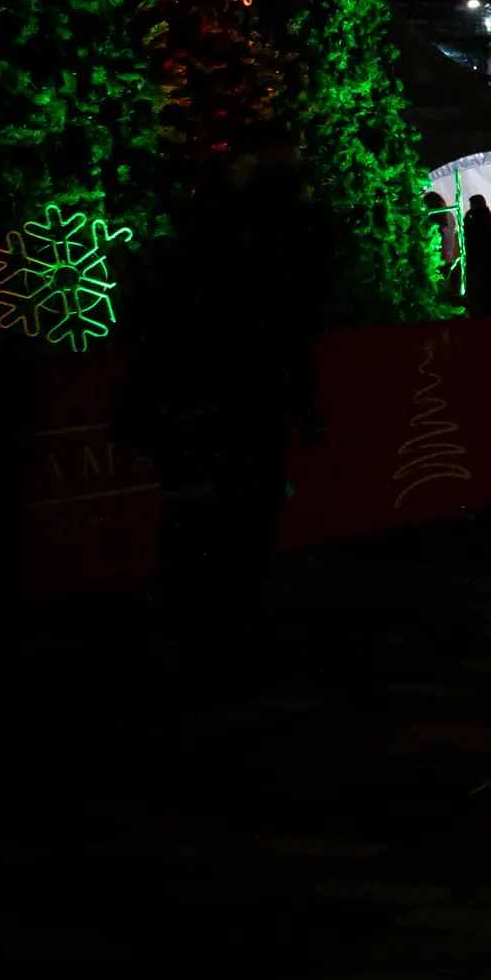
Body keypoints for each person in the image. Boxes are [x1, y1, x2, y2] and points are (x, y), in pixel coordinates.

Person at [143, 121, 333, 679]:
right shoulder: (266, 232)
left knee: (219, 510)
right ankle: (228, 621)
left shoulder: (226, 229)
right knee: (240, 510)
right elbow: (301, 314)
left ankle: (212, 622)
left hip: (226, 384)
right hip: (249, 386)